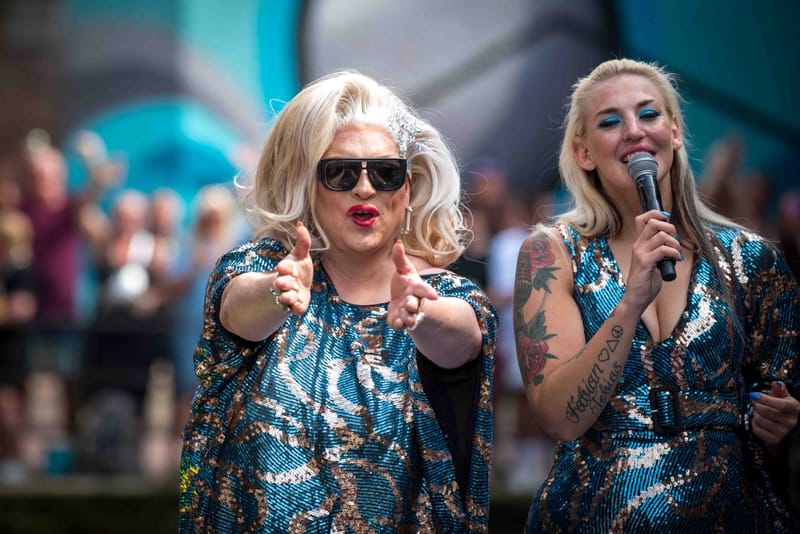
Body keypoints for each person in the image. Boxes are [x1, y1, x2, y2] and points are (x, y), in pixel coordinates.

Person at [179, 71, 497, 532]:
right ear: (306, 184)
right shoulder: (257, 269)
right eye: (341, 172)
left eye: (386, 173)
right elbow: (238, 311)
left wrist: (421, 313)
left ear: (407, 190)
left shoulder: (448, 295)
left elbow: (462, 339)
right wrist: (278, 291)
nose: (365, 188)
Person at [513, 58, 800, 532]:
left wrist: (778, 423)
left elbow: (778, 412)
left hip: (733, 513)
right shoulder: (552, 254)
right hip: (595, 516)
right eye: (610, 122)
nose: (633, 132)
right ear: (584, 153)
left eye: (648, 115)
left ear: (675, 131)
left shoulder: (751, 259)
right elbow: (562, 418)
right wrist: (631, 301)